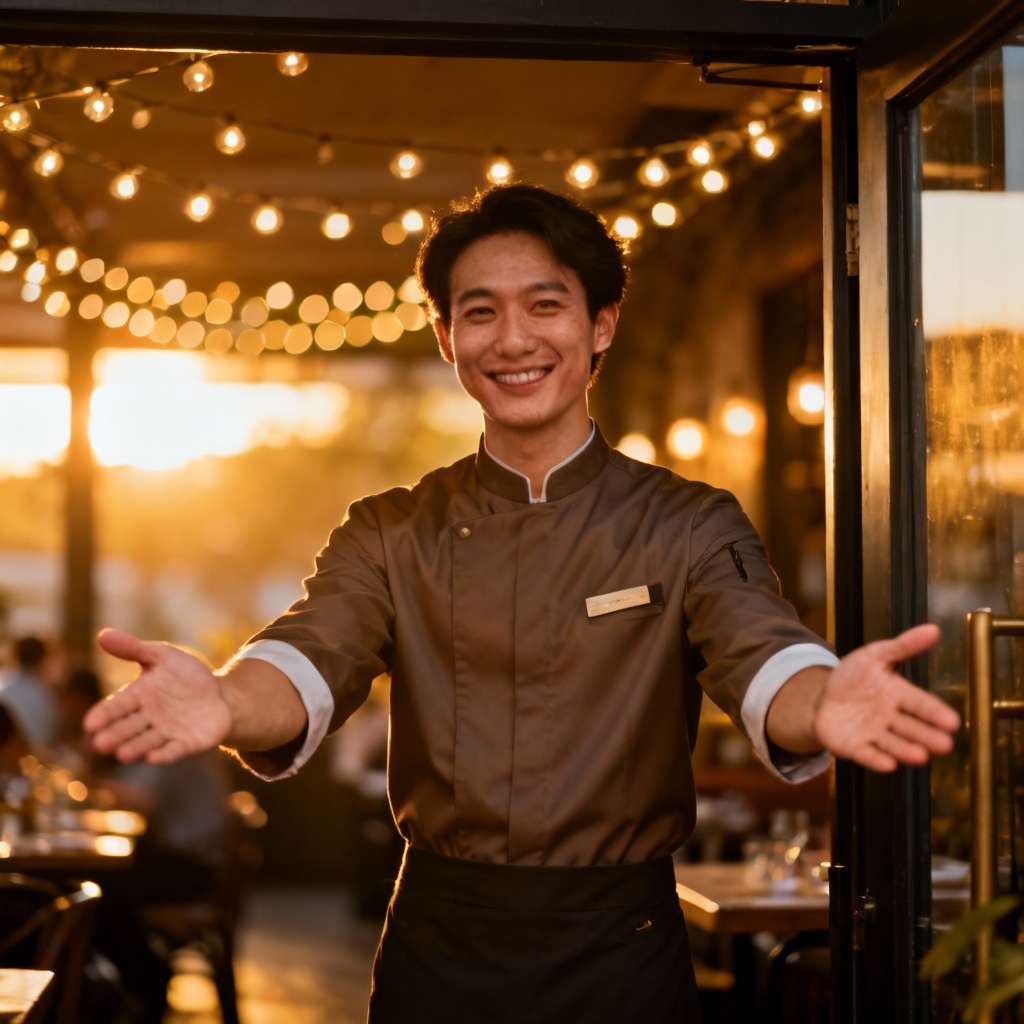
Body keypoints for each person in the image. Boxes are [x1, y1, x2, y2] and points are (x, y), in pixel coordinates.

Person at [85, 183, 961, 1023]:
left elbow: (759, 647)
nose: (512, 340)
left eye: (545, 306)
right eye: (479, 311)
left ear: (600, 325)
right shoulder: (392, 531)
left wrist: (820, 696)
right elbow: (313, 651)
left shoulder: (687, 523)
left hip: (622, 946)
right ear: (444, 335)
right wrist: (229, 700)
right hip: (440, 944)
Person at [0, 635, 62, 748]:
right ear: (43, 659)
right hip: (38, 760)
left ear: (14, 656)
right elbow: (55, 734)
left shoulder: (3, 687)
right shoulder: (47, 696)